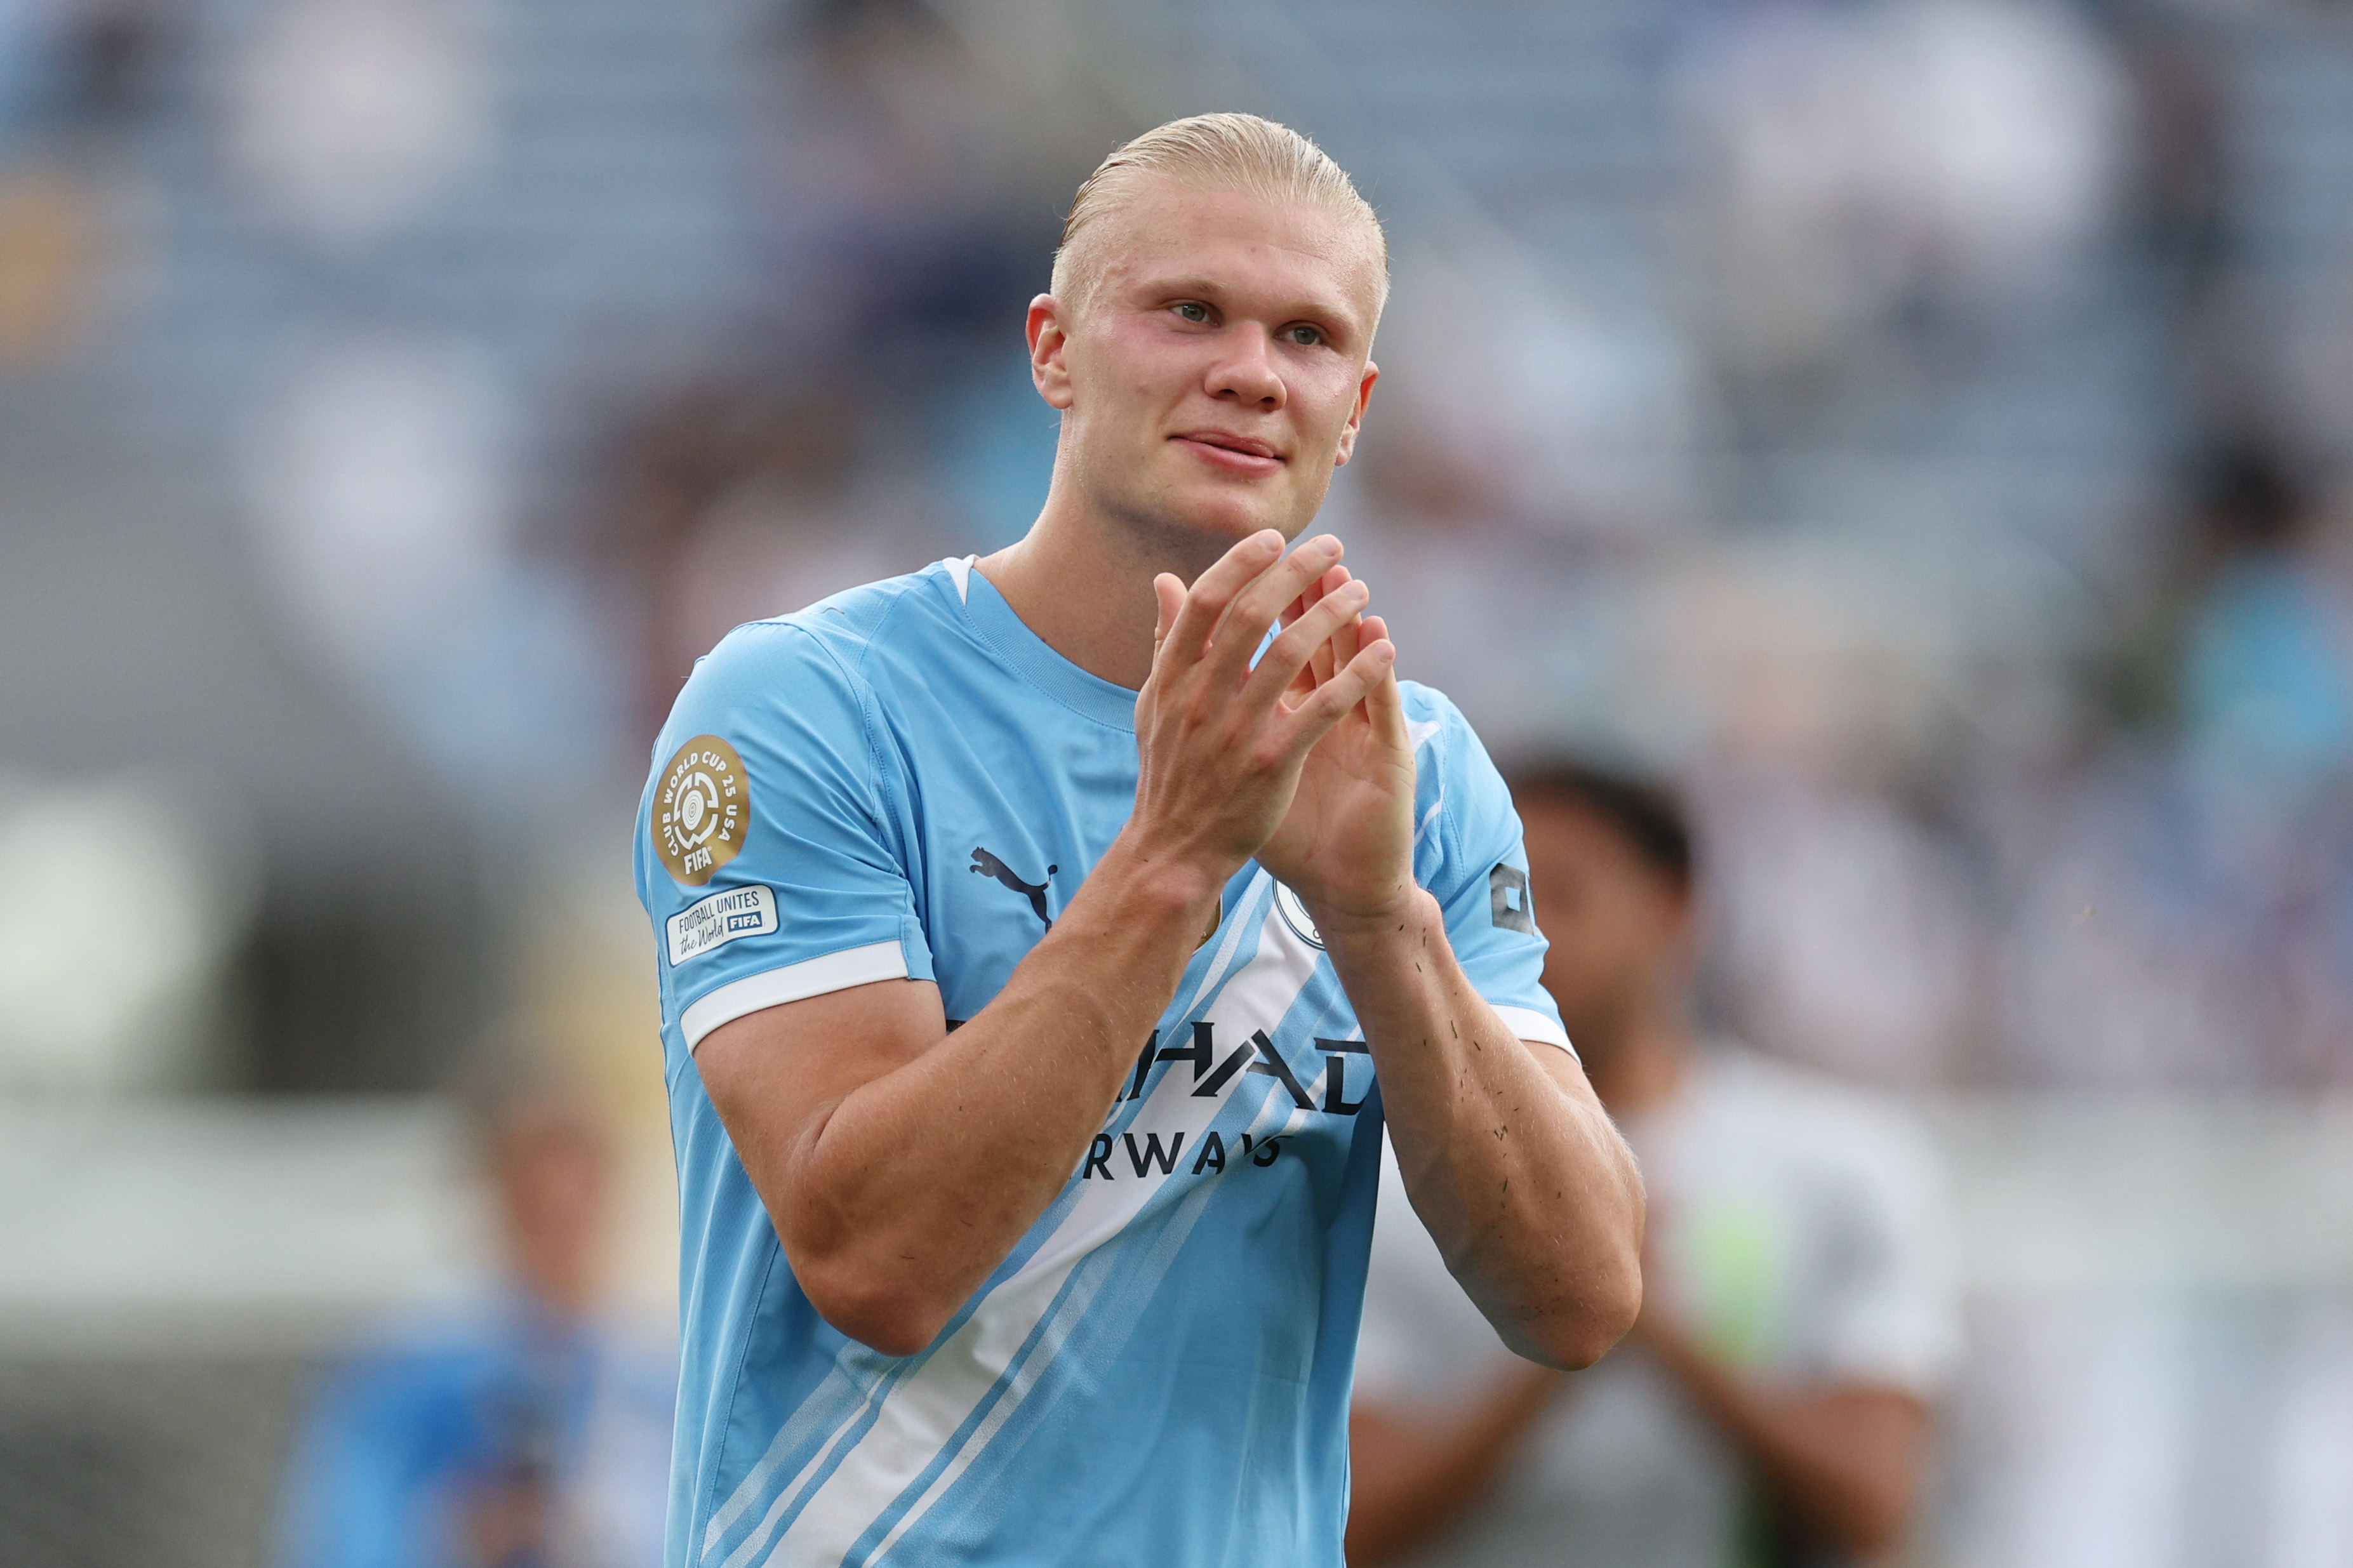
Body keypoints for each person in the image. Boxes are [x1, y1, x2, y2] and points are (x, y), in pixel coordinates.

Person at [633, 114, 1645, 1567]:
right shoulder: (805, 707)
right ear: (1051, 348)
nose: (1248, 367)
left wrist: (1379, 920)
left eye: (1304, 336)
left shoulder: (1408, 771)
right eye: (1189, 311)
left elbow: (1577, 1294)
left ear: (1353, 407)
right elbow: (877, 1259)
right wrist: (1178, 851)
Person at [1348, 761, 1962, 1568]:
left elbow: (1875, 1498)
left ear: (1674, 908)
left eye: (1563, 893)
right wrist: (1574, 1301)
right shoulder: (1384, 1182)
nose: (1523, 933)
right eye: (1496, 897)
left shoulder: (1841, 1165)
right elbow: (1351, 1520)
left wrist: (1649, 1322)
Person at [277, 1074, 676, 1568]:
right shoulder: (407, 1377)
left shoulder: (654, 1374)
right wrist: (456, 1538)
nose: (563, 1211)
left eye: (582, 1183)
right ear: (490, 1193)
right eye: (533, 1194)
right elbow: (341, 1538)